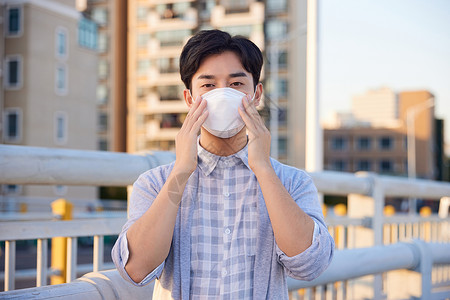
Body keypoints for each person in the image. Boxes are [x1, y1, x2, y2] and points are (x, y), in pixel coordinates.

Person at [112, 29, 334, 299]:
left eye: (236, 84)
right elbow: (135, 270)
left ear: (256, 94)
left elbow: (311, 265)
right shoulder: (154, 183)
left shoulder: (292, 182)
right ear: (190, 99)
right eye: (208, 85)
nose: (223, 94)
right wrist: (181, 171)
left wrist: (263, 168)